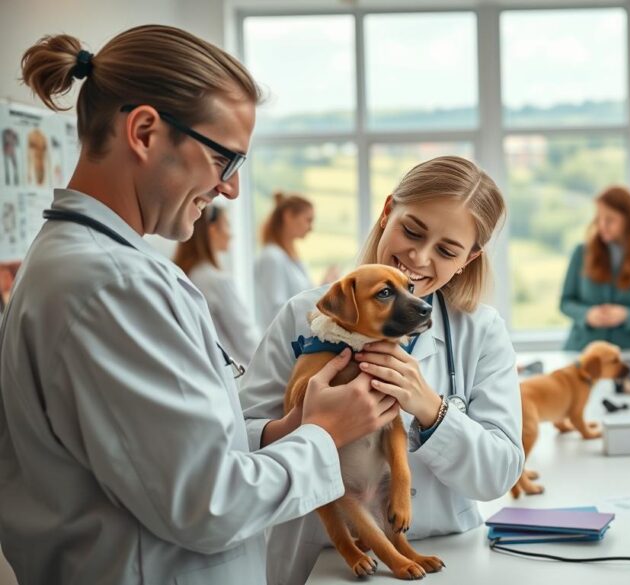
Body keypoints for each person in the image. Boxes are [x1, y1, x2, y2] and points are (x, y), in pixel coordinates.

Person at [0, 26, 399, 584]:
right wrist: (323, 437)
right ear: (144, 132)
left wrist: (281, 431)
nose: (231, 190)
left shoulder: (90, 266)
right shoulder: (112, 286)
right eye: (225, 160)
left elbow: (161, 449)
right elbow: (207, 507)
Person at [240, 155, 524, 585]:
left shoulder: (481, 332)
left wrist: (431, 408)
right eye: (412, 230)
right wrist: (305, 424)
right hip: (322, 561)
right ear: (387, 211)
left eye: (447, 250)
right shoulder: (306, 315)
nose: (419, 256)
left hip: (446, 556)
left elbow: (500, 472)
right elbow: (237, 440)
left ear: (469, 258)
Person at [559, 185, 630, 350]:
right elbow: (565, 302)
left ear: (629, 220)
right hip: (583, 350)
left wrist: (626, 315)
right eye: (598, 218)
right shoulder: (581, 253)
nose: (602, 225)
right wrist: (588, 315)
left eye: (609, 219)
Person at [173, 205, 260, 366]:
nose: (231, 234)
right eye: (227, 224)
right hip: (231, 377)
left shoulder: (183, 275)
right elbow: (247, 340)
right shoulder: (217, 281)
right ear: (212, 230)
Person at [254, 191, 317, 327]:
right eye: (308, 220)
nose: (311, 228)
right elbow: (277, 311)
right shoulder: (272, 258)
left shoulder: (290, 257)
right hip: (284, 341)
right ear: (288, 216)